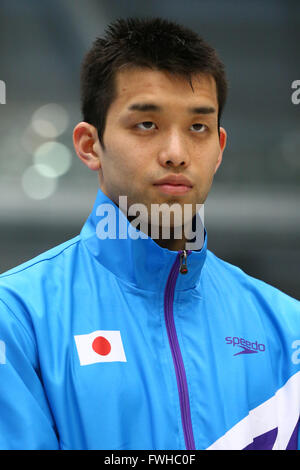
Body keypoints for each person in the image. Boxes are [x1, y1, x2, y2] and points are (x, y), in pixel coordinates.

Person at [0, 16, 299, 451]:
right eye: (146, 125)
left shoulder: (287, 329)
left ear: (219, 149)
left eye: (198, 127)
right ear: (89, 145)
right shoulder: (17, 317)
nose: (176, 153)